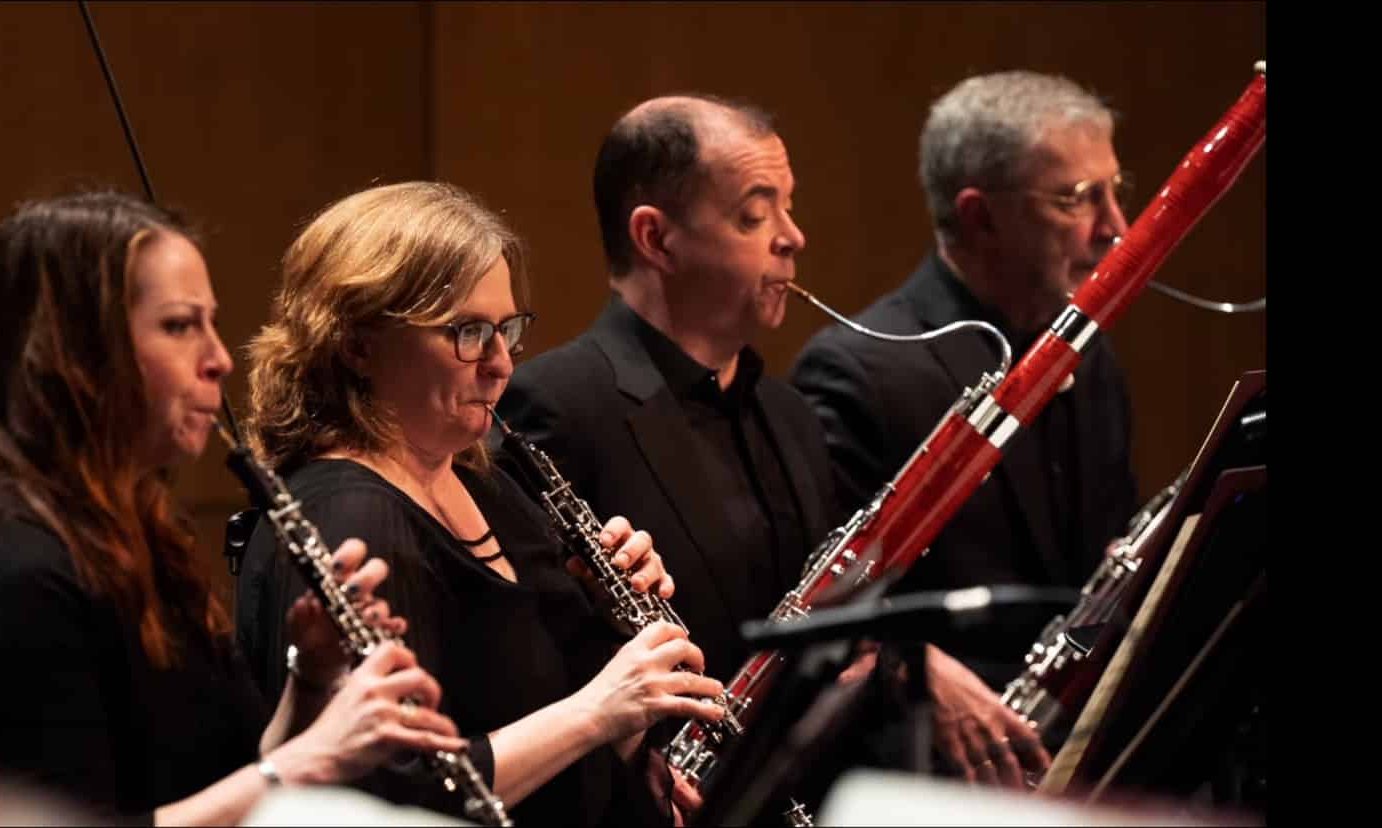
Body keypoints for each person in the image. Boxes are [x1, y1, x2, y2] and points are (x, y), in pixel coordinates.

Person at [496, 94, 1050, 790]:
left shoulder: (789, 413)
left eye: (788, 207)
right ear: (656, 239)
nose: (793, 237)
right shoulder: (554, 407)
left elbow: (826, 639)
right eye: (755, 214)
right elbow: (542, 665)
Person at [0, 191, 470, 826]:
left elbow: (229, 771)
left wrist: (313, 676)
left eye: (209, 323)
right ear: (78, 352)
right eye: (179, 326)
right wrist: (305, 765)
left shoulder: (139, 539)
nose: (218, 359)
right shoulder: (3, 572)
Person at [235, 180, 726, 826]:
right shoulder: (347, 519)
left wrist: (633, 745)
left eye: (507, 330)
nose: (501, 364)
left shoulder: (488, 483)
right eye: (467, 332)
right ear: (358, 344)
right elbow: (383, 797)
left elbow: (539, 705)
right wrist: (599, 710)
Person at [789, 71, 1140, 693]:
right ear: (980, 217)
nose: (1115, 226)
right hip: (937, 762)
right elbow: (827, 620)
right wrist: (918, 674)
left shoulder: (1095, 356)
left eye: (1115, 191)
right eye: (1077, 198)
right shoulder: (858, 371)